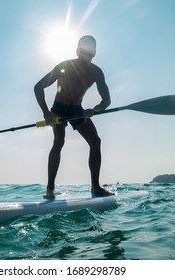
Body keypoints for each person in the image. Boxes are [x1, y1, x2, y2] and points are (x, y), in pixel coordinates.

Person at [34, 35, 114, 199]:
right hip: (59, 109)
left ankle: (95, 187)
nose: (87, 55)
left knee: (95, 141)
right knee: (59, 141)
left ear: (94, 53)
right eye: (84, 51)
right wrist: (46, 113)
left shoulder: (97, 72)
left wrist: (95, 109)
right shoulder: (64, 65)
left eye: (90, 52)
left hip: (78, 110)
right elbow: (38, 88)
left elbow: (107, 100)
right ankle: (50, 189)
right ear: (77, 51)